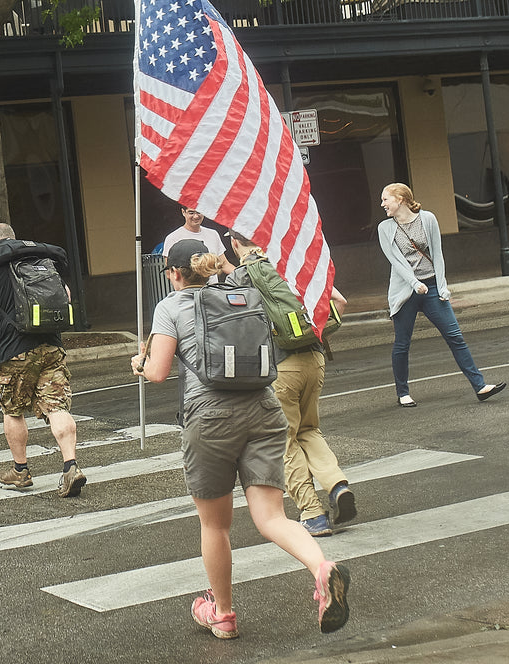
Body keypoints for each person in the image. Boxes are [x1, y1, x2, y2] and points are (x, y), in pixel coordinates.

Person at [133, 240, 351, 638]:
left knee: (215, 526)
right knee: (271, 517)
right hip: (264, 410)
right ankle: (323, 568)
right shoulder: (242, 295)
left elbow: (159, 371)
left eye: (168, 271)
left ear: (175, 274)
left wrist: (140, 363)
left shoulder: (170, 307)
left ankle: (224, 614)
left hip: (210, 418)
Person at [228, 231, 355, 537]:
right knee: (309, 429)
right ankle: (337, 484)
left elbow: (236, 330)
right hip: (315, 357)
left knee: (284, 441)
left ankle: (313, 513)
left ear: (234, 243)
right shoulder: (290, 262)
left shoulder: (239, 278)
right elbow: (339, 300)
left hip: (281, 366)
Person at [0, 222, 86, 497]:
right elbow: (65, 296)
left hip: (14, 350)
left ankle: (21, 471)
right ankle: (70, 465)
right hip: (51, 345)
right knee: (56, 407)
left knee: (13, 410)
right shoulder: (41, 260)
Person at [377, 182, 507, 408]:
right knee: (402, 344)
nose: (382, 204)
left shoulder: (428, 219)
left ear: (400, 199)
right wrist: (414, 283)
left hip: (432, 288)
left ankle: (480, 386)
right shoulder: (385, 228)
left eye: (385, 199)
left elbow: (437, 254)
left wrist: (442, 285)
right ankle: (403, 393)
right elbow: (396, 262)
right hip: (405, 290)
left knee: (455, 336)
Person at [162, 207, 230, 283]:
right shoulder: (173, 238)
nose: (196, 216)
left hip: (212, 291)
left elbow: (224, 264)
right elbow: (169, 273)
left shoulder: (213, 234)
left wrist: (242, 274)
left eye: (199, 212)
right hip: (189, 291)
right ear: (183, 212)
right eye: (191, 213)